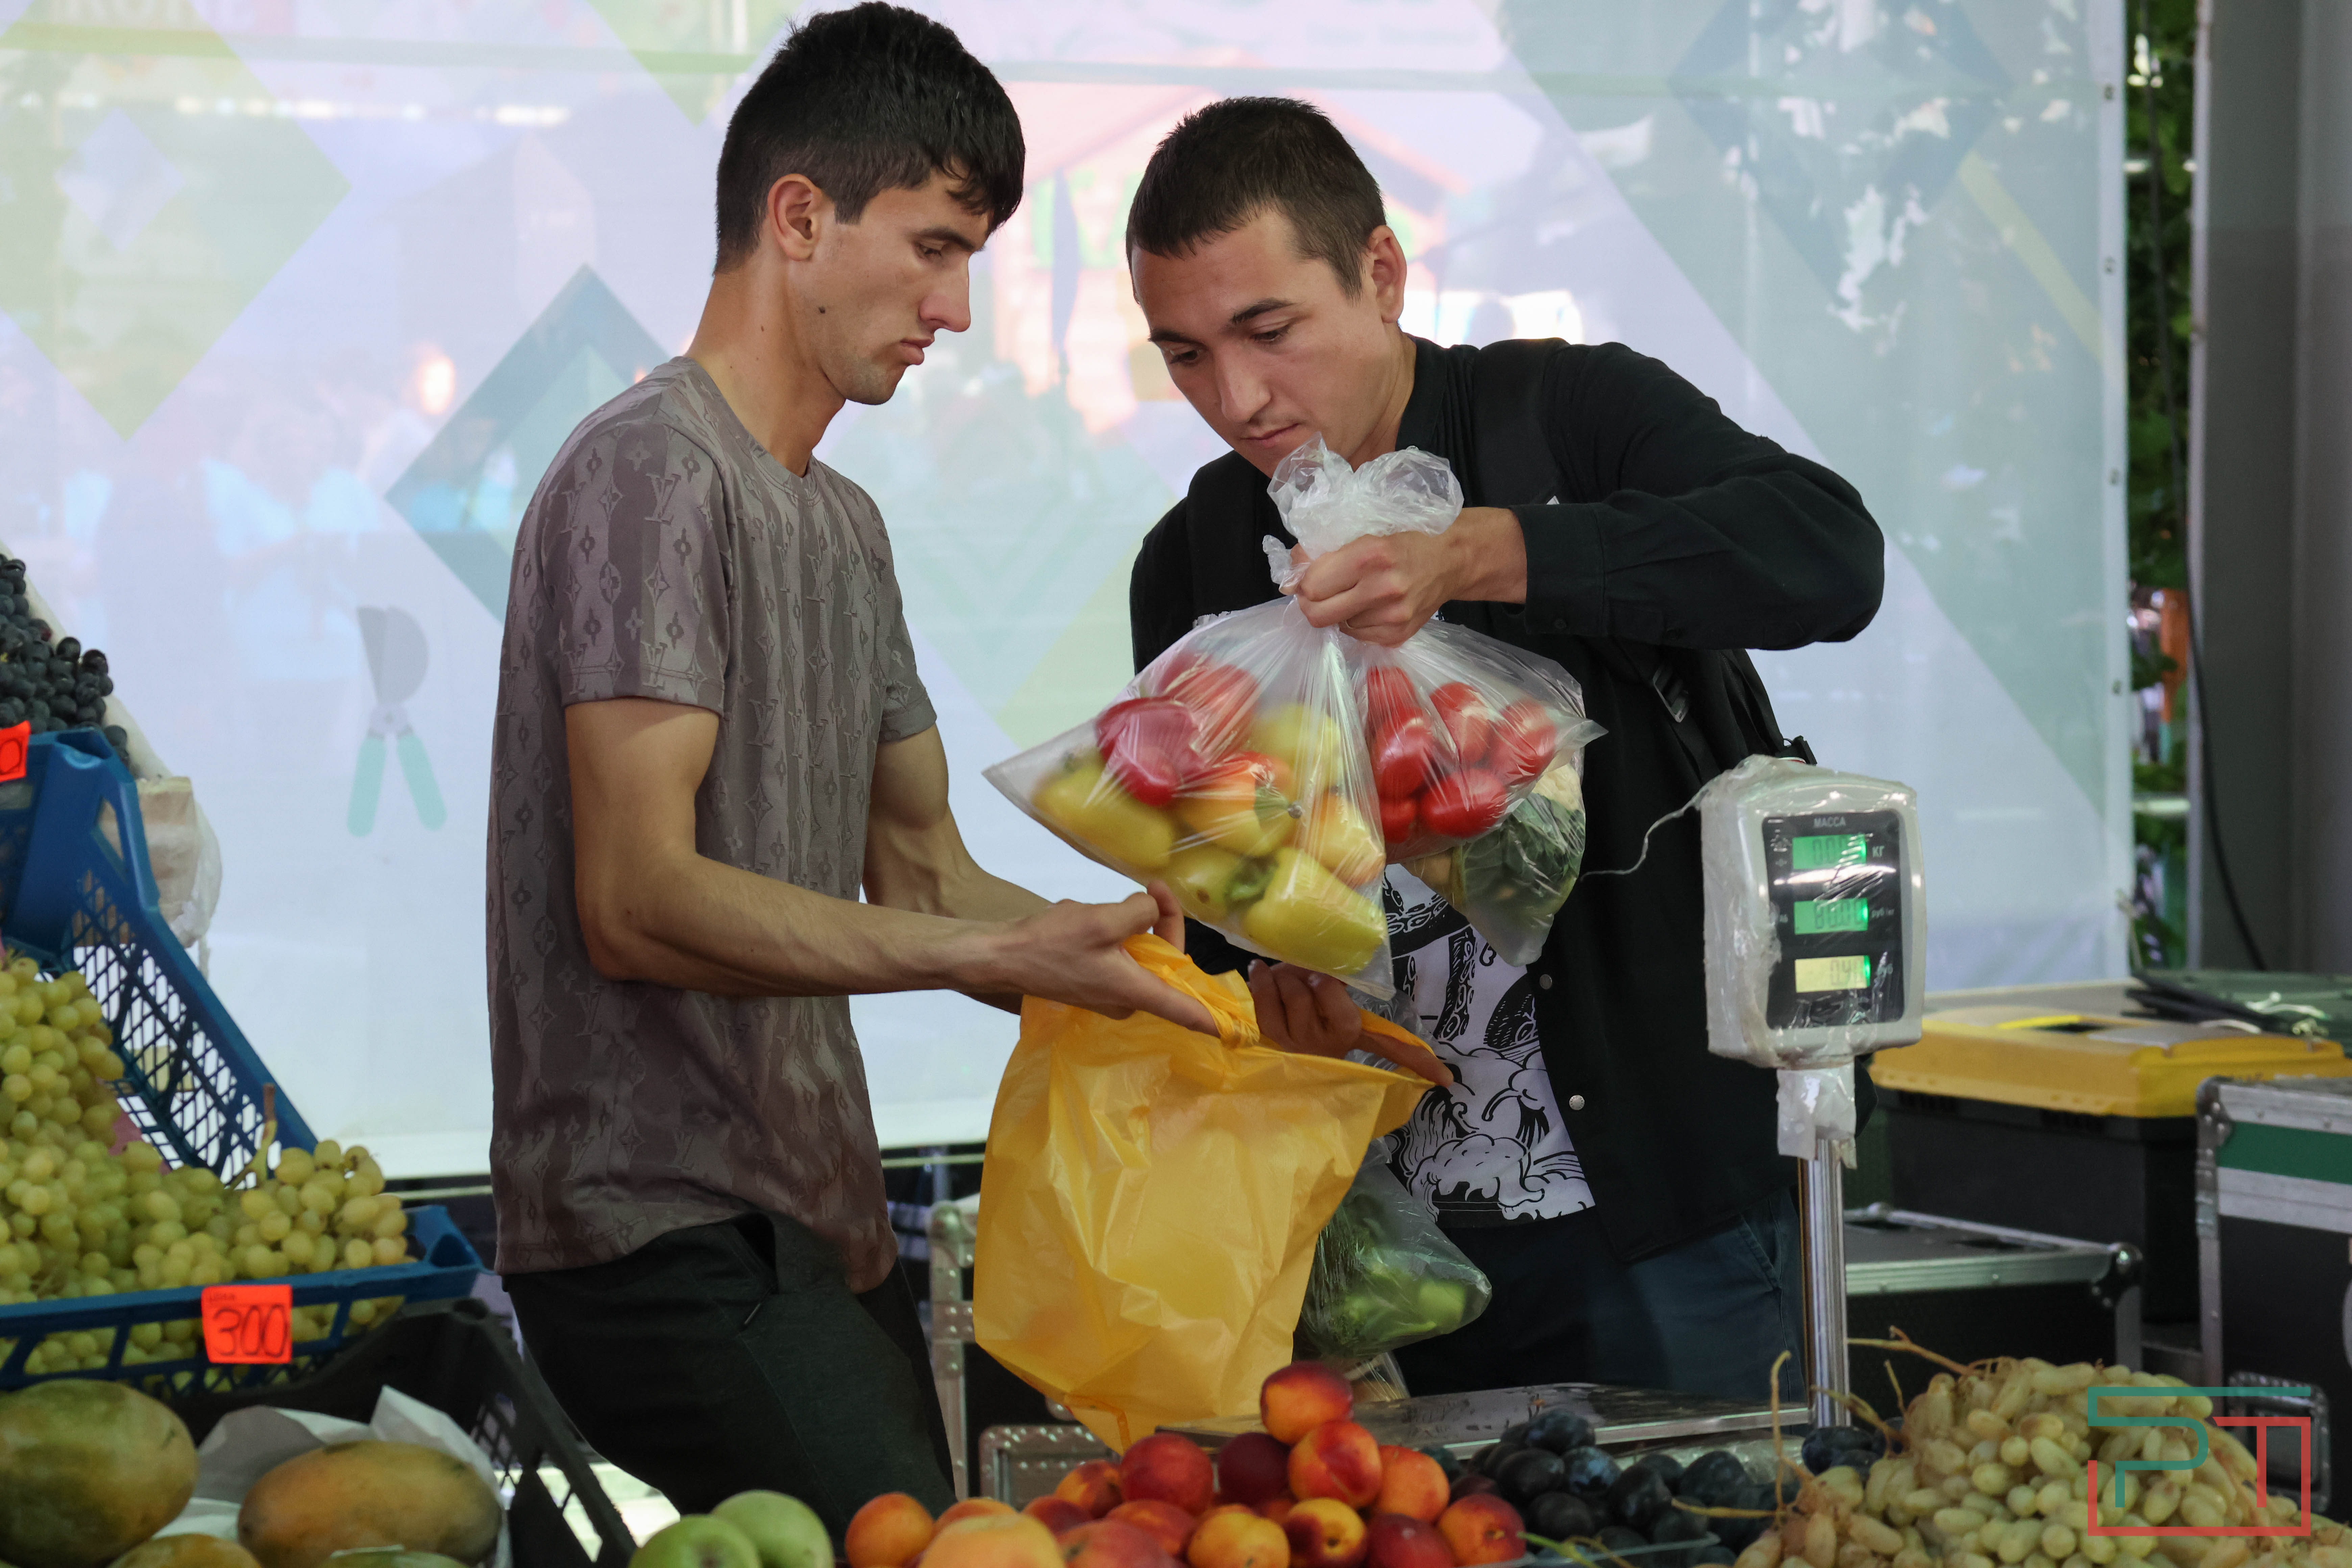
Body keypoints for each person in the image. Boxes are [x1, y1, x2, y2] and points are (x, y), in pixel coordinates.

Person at [481, 6, 1237, 1526]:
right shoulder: (651, 471)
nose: (954, 308)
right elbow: (635, 900)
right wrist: (996, 952)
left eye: (972, 259)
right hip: (660, 1233)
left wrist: (1187, 994)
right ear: (800, 218)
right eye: (934, 247)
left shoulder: (843, 524)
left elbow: (927, 873)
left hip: (814, 1220)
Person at [1122, 98, 1887, 1405]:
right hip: (1393, 1239)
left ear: (1380, 273)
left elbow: (1829, 555)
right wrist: (1273, 1000)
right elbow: (1222, 879)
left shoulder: (1565, 417)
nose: (1236, 399)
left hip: (1669, 1215)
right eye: (1185, 355)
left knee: (1716, 1505)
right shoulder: (1196, 558)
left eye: (1269, 331)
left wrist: (1492, 550)